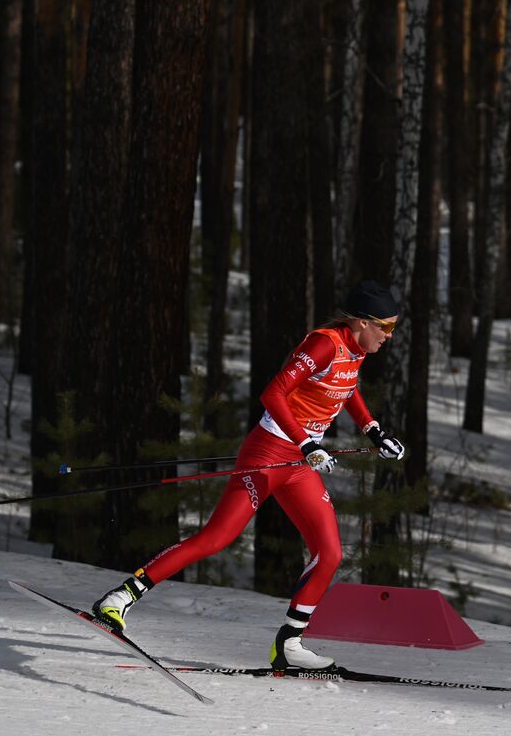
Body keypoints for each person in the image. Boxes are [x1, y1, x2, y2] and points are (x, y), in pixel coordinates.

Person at [90, 281, 407, 670]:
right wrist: (307, 444)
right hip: (269, 451)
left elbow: (347, 386)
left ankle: (289, 644)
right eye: (386, 327)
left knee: (330, 552)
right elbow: (273, 393)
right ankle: (119, 598)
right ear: (361, 322)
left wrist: (374, 430)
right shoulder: (324, 343)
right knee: (216, 538)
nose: (389, 336)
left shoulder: (357, 348)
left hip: (298, 466)